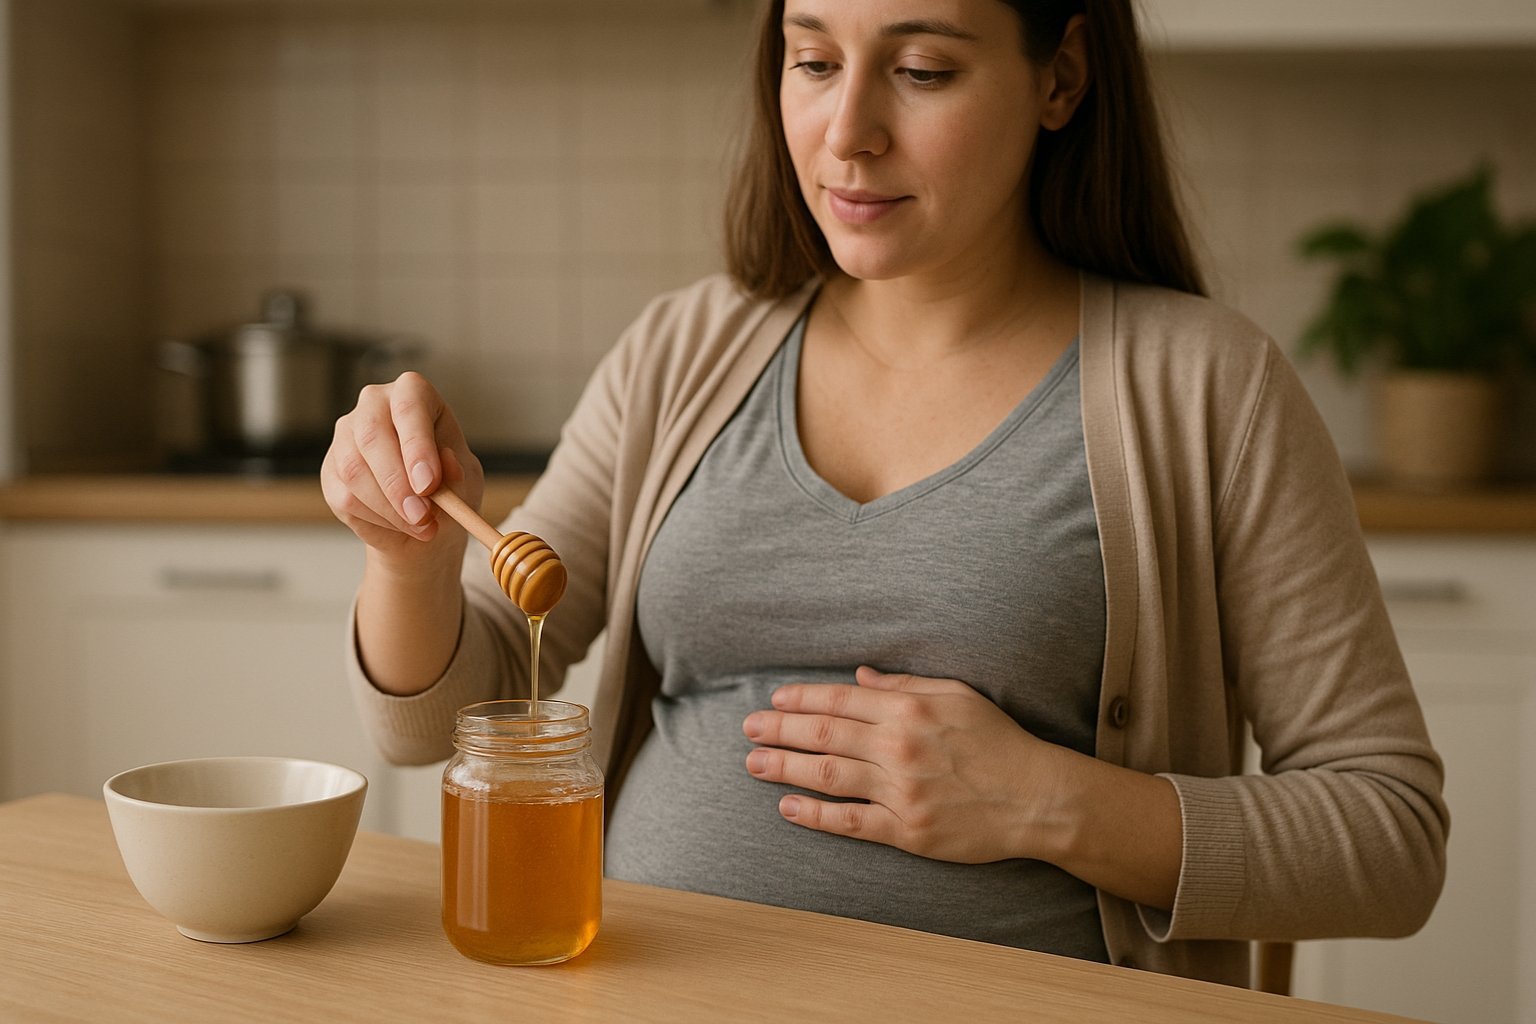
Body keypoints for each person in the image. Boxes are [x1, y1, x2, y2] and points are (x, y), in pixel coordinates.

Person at [322, 0, 1448, 988]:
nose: (848, 133)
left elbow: (1392, 840)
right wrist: (407, 558)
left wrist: (1047, 802)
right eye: (813, 62)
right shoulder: (681, 351)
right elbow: (433, 720)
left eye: (922, 71)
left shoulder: (1208, 387)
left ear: (1061, 76)